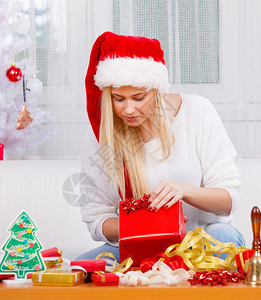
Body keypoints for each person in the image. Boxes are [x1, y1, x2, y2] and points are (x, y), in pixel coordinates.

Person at [77, 32, 244, 262]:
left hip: (202, 241)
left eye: (138, 98)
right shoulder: (101, 132)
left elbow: (228, 201)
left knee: (223, 235)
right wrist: (145, 227)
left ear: (156, 91)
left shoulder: (197, 111)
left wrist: (183, 190)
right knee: (84, 267)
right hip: (141, 248)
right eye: (118, 98)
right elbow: (97, 221)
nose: (128, 110)